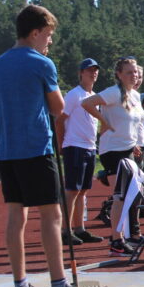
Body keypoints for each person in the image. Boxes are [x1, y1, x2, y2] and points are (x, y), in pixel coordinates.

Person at [0, 4, 95, 287]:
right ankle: (59, 284)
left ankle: (20, 285)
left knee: (16, 215)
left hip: (7, 151)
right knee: (52, 215)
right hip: (36, 148)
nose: (49, 41)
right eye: (47, 35)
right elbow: (58, 107)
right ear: (34, 33)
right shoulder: (41, 63)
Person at [81, 57, 144, 257]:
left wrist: (136, 142)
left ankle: (124, 236)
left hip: (128, 149)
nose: (133, 75)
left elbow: (135, 122)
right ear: (119, 74)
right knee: (120, 196)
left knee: (133, 192)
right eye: (128, 72)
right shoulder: (113, 92)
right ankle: (116, 240)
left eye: (135, 72)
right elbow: (87, 103)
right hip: (113, 151)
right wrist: (104, 122)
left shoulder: (134, 95)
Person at [55, 58, 104, 247]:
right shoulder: (74, 95)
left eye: (95, 70)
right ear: (81, 73)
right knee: (72, 190)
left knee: (83, 190)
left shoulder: (95, 97)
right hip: (74, 146)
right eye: (89, 70)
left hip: (90, 147)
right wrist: (61, 144)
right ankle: (64, 230)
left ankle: (79, 229)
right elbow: (60, 120)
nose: (93, 73)